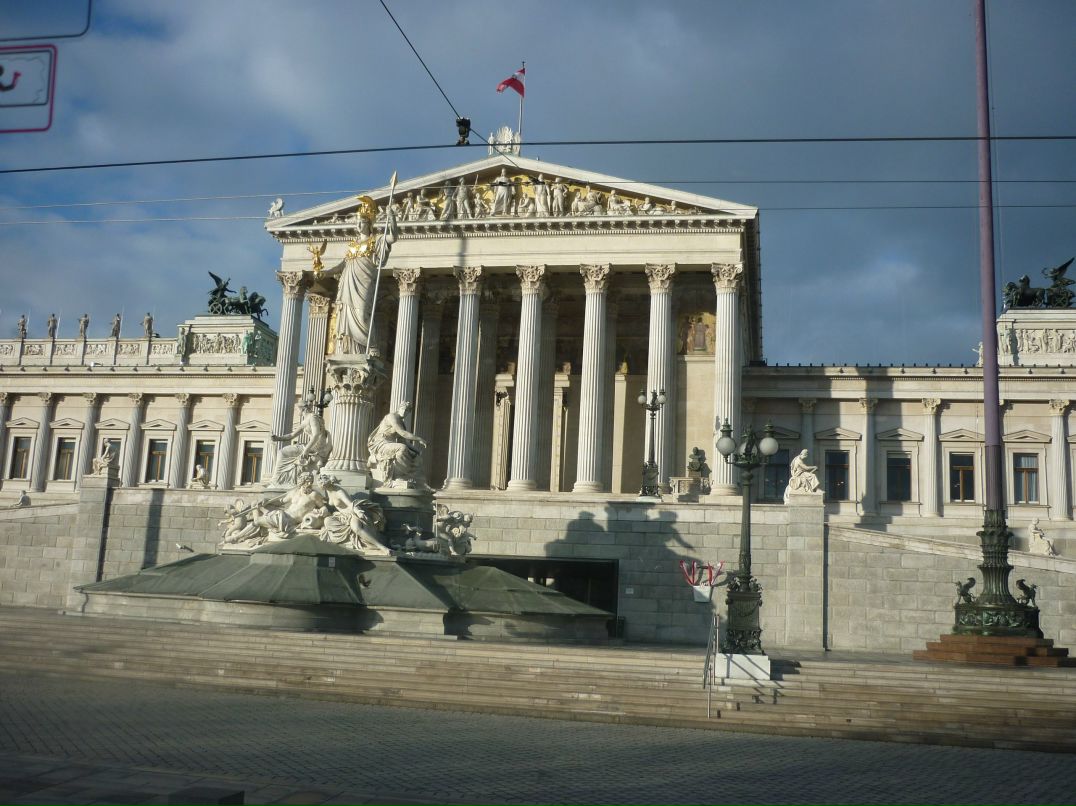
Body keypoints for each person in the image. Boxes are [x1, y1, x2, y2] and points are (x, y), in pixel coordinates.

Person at [321, 196, 396, 355]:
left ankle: (370, 346)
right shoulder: (353, 246)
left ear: (369, 223)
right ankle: (349, 349)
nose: (358, 224)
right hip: (348, 283)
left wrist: (393, 219)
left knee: (362, 314)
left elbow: (392, 237)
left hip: (364, 280)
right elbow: (342, 265)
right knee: (346, 314)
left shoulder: (375, 241)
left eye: (362, 221)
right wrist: (325, 272)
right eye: (357, 222)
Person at [270, 394, 333, 487]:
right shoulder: (304, 421)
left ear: (302, 409)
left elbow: (316, 435)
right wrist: (278, 438)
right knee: (281, 452)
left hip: (316, 447)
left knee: (282, 453)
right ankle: (280, 479)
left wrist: (306, 450)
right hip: (311, 445)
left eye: (297, 409)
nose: (296, 411)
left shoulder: (312, 417)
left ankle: (277, 479)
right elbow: (292, 435)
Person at [367, 401, 427, 487]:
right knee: (402, 448)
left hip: (389, 444)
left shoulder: (401, 422)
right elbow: (402, 433)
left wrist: (417, 451)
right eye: (403, 409)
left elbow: (403, 441)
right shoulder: (392, 416)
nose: (404, 412)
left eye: (407, 411)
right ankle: (399, 476)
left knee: (416, 456)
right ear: (399, 408)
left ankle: (421, 483)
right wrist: (419, 439)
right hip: (380, 443)